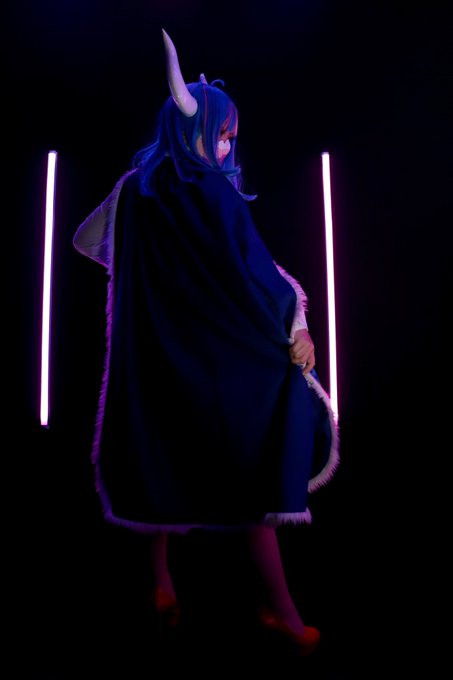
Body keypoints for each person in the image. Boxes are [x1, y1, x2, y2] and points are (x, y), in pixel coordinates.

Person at [73, 28, 339, 655]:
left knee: (158, 467)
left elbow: (88, 242)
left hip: (157, 366)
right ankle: (285, 616)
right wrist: (296, 324)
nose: (225, 147)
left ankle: (162, 586)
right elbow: (258, 273)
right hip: (218, 367)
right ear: (192, 129)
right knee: (252, 488)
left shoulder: (134, 190)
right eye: (220, 135)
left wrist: (154, 278)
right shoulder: (212, 191)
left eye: (230, 137)